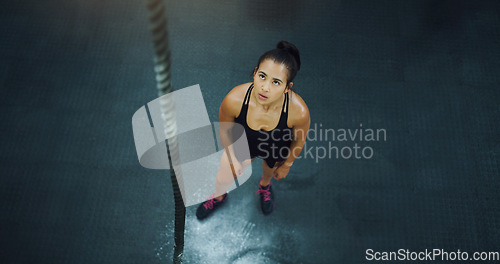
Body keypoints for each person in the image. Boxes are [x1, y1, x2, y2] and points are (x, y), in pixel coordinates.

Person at [196, 41, 310, 219]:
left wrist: (287, 164)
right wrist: (232, 157)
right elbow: (225, 131)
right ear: (255, 72)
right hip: (244, 140)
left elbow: (299, 139)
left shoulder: (299, 112)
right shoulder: (234, 100)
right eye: (262, 76)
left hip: (277, 143)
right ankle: (218, 196)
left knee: (269, 172)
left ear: (287, 88)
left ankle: (265, 186)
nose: (265, 87)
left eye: (276, 82)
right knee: (223, 177)